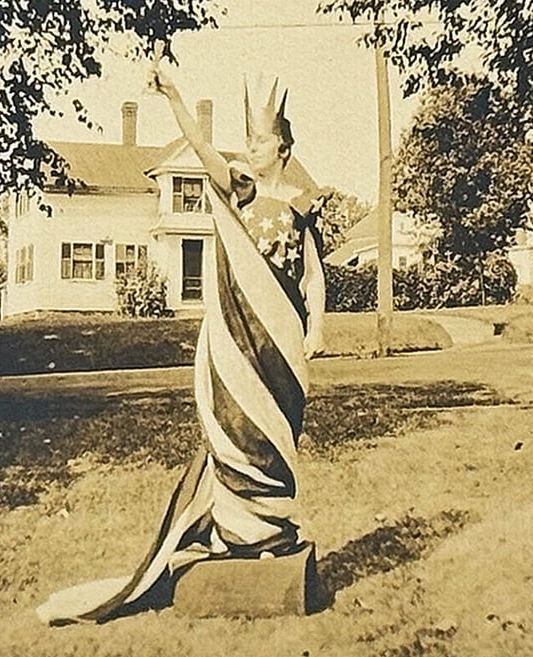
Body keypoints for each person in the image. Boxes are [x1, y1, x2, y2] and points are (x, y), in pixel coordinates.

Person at [36, 65, 327, 625]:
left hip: (282, 342)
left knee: (278, 431)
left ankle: (272, 528)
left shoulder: (300, 207)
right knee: (237, 426)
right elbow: (200, 148)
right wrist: (174, 96)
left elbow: (312, 273)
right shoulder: (238, 192)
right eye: (247, 141)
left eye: (260, 141)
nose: (250, 149)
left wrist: (318, 326)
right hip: (237, 337)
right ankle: (240, 533)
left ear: (283, 148)